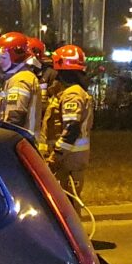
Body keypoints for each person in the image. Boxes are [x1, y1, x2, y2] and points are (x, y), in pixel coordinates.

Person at [41, 44, 94, 196]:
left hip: (68, 162)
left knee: (68, 209)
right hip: (69, 161)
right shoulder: (70, 92)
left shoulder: (72, 95)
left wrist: (55, 158)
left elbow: (71, 129)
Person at [0, 31, 42, 134]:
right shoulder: (16, 77)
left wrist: (3, 138)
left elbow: (14, 118)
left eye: (3, 57)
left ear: (15, 57)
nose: (0, 61)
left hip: (18, 141)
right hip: (20, 141)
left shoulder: (20, 79)